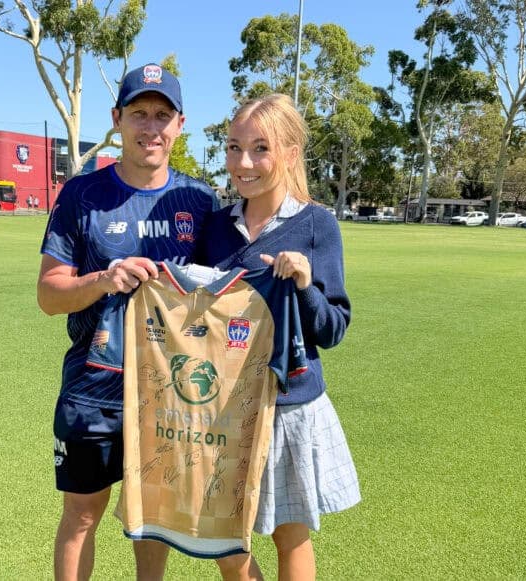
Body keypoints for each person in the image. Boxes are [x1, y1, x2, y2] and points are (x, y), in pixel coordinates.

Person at [37, 63, 218, 581]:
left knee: (152, 522)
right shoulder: (81, 195)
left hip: (170, 394)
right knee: (81, 516)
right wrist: (104, 278)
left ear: (180, 124)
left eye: (162, 115)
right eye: (139, 113)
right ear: (117, 119)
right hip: (94, 388)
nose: (151, 127)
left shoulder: (200, 202)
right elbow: (49, 296)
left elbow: (226, 293)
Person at [195, 93, 360, 580]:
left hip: (288, 406)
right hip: (221, 405)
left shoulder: (317, 225)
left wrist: (306, 285)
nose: (243, 163)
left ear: (289, 153)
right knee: (220, 534)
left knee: (290, 536)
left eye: (260, 148)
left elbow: (333, 329)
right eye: (233, 147)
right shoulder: (215, 227)